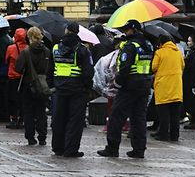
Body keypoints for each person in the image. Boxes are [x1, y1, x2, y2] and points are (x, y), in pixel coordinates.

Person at [98, 19, 153, 159]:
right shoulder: (148, 45)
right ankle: (139, 149)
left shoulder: (130, 46)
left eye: (127, 29)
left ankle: (112, 148)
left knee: (116, 116)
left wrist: (117, 84)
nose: (124, 31)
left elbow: (124, 68)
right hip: (145, 84)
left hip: (129, 85)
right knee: (139, 118)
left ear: (133, 30)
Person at [48, 22, 94, 158]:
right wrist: (87, 87)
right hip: (77, 90)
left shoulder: (55, 48)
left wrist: (52, 85)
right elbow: (88, 72)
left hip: (60, 89)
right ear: (77, 32)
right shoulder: (82, 49)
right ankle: (71, 149)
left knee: (58, 119)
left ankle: (57, 147)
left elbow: (49, 69)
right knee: (75, 121)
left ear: (66, 30)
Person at [14, 27, 50, 146]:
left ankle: (30, 137)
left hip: (28, 85)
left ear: (29, 37)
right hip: (42, 85)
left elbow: (18, 68)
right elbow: (49, 69)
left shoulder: (26, 51)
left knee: (28, 112)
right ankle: (42, 137)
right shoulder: (46, 51)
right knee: (41, 112)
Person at [151, 34, 184, 142]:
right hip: (176, 87)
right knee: (175, 114)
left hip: (163, 87)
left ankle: (163, 134)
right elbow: (183, 65)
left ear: (161, 43)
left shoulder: (159, 53)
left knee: (164, 114)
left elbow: (153, 67)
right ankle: (175, 135)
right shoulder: (178, 52)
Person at [4, 28, 28, 129]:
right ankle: (22, 119)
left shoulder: (11, 48)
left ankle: (14, 119)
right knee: (23, 99)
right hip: (24, 77)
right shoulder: (28, 48)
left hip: (13, 76)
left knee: (13, 99)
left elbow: (6, 61)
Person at [182, 35, 195, 130]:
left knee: (194, 102)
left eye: (190, 41)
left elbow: (193, 68)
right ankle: (193, 119)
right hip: (189, 80)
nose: (188, 43)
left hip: (192, 80)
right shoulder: (191, 52)